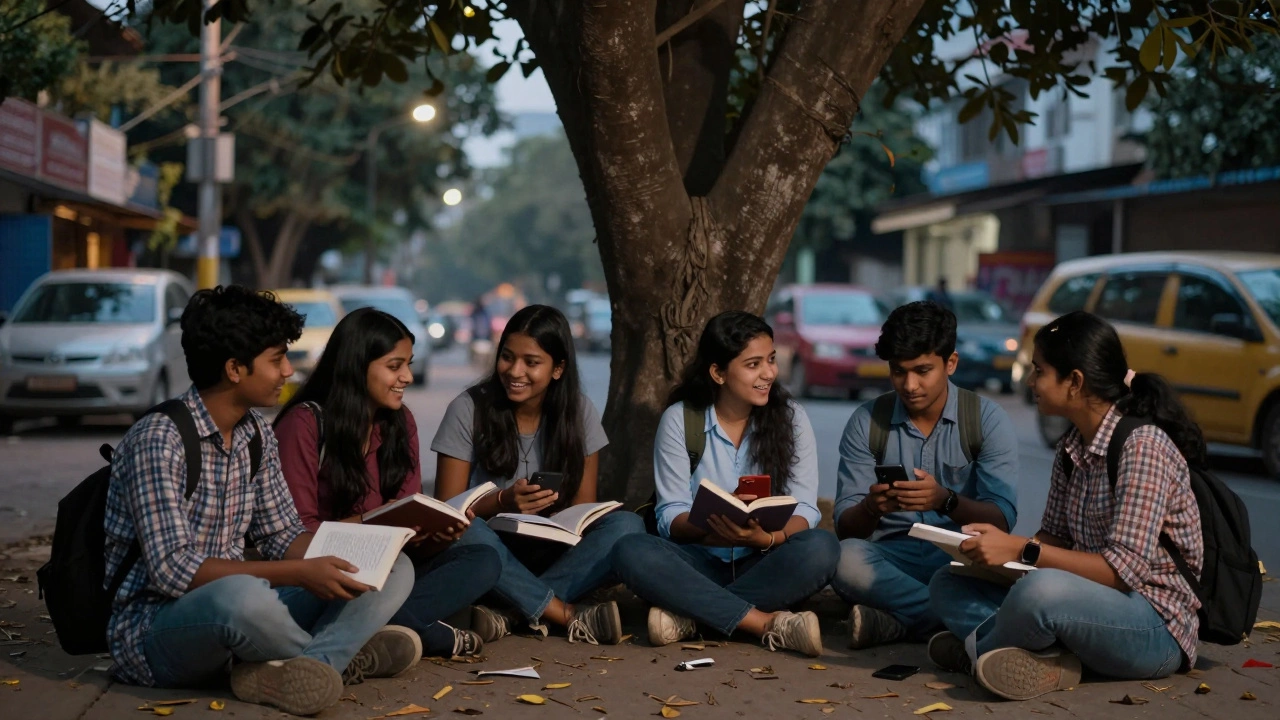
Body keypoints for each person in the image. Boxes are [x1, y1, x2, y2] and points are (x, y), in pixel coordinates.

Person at [104, 287, 419, 717]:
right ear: (235, 368)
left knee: (393, 566)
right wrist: (300, 573)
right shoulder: (159, 439)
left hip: (247, 607)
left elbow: (282, 535)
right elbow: (173, 570)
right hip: (158, 630)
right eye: (276, 360)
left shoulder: (256, 433)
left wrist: (351, 557)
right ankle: (340, 656)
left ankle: (310, 667)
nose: (289, 371)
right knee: (242, 596)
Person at [926, 311, 1204, 700]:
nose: (1030, 381)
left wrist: (1022, 549)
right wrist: (992, 554)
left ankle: (978, 651)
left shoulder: (1143, 447)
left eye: (1039, 370)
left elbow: (1122, 572)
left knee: (1040, 592)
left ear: (1074, 382)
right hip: (1086, 601)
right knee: (948, 580)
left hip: (1154, 628)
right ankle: (1027, 658)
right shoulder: (1071, 448)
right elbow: (1052, 537)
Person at [274, 307, 502, 660]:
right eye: (395, 366)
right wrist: (372, 526)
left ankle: (383, 629)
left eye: (409, 364)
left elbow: (407, 513)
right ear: (355, 366)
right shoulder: (304, 425)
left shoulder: (399, 422)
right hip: (321, 574)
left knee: (483, 557)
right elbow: (293, 539)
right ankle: (413, 632)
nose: (407, 377)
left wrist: (431, 536)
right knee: (397, 570)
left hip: (392, 567)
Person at [610, 311, 839, 657]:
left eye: (771, 360)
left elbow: (805, 507)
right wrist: (713, 526)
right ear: (718, 373)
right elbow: (670, 515)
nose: (768, 374)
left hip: (763, 560)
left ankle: (692, 618)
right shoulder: (680, 419)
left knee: (821, 547)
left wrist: (767, 537)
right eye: (753, 365)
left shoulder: (791, 419)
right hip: (696, 561)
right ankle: (764, 623)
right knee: (631, 550)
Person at [432, 304, 645, 645]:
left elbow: (583, 509)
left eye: (531, 363)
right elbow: (445, 511)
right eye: (507, 357)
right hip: (489, 551)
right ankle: (565, 614)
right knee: (466, 531)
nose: (515, 371)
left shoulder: (578, 413)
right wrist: (502, 501)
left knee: (627, 526)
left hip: (553, 552)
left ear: (558, 369)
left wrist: (557, 520)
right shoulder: (468, 408)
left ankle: (513, 611)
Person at [831, 301, 1019, 649]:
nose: (910, 384)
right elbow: (846, 528)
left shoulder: (986, 419)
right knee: (842, 559)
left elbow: (1002, 520)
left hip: (961, 558)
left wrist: (945, 500)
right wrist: (872, 508)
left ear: (951, 363)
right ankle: (964, 625)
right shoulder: (867, 421)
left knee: (1011, 576)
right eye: (899, 371)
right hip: (891, 561)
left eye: (922, 370)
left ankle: (899, 624)